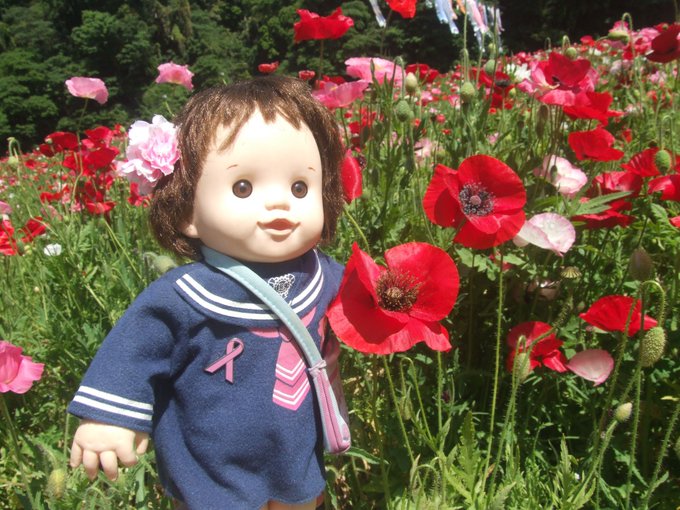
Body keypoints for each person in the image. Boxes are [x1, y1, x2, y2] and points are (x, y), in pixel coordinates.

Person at [68, 75, 348, 510]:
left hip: (295, 445)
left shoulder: (322, 275)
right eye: (243, 187)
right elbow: (134, 355)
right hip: (210, 462)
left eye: (300, 187)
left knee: (299, 499)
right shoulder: (183, 296)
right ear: (187, 210)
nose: (280, 203)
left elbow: (365, 305)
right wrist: (108, 419)